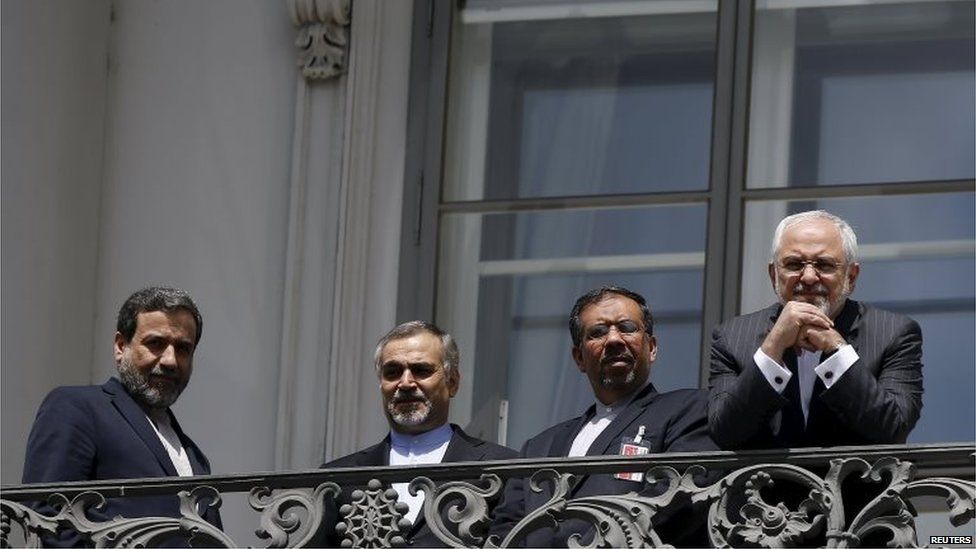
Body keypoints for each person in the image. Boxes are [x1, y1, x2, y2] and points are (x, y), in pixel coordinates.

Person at [490, 286, 717, 547]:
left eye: (627, 327)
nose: (614, 339)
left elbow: (679, 498)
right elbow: (506, 527)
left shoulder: (688, 410)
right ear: (579, 358)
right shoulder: (538, 447)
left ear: (651, 347)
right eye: (597, 332)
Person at [709, 210, 923, 449]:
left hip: (855, 485)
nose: (809, 276)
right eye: (794, 264)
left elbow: (893, 428)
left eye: (824, 265)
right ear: (773, 274)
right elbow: (725, 432)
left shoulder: (894, 333)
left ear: (851, 277)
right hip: (764, 485)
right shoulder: (731, 337)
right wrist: (773, 346)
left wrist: (837, 349)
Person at [22, 286, 221, 544]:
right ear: (120, 346)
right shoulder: (77, 408)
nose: (171, 360)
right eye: (156, 343)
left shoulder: (196, 457)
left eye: (183, 348)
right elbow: (48, 518)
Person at [321, 321, 517, 547]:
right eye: (392, 372)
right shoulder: (337, 477)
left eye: (421, 370)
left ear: (452, 383)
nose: (405, 383)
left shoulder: (503, 467)